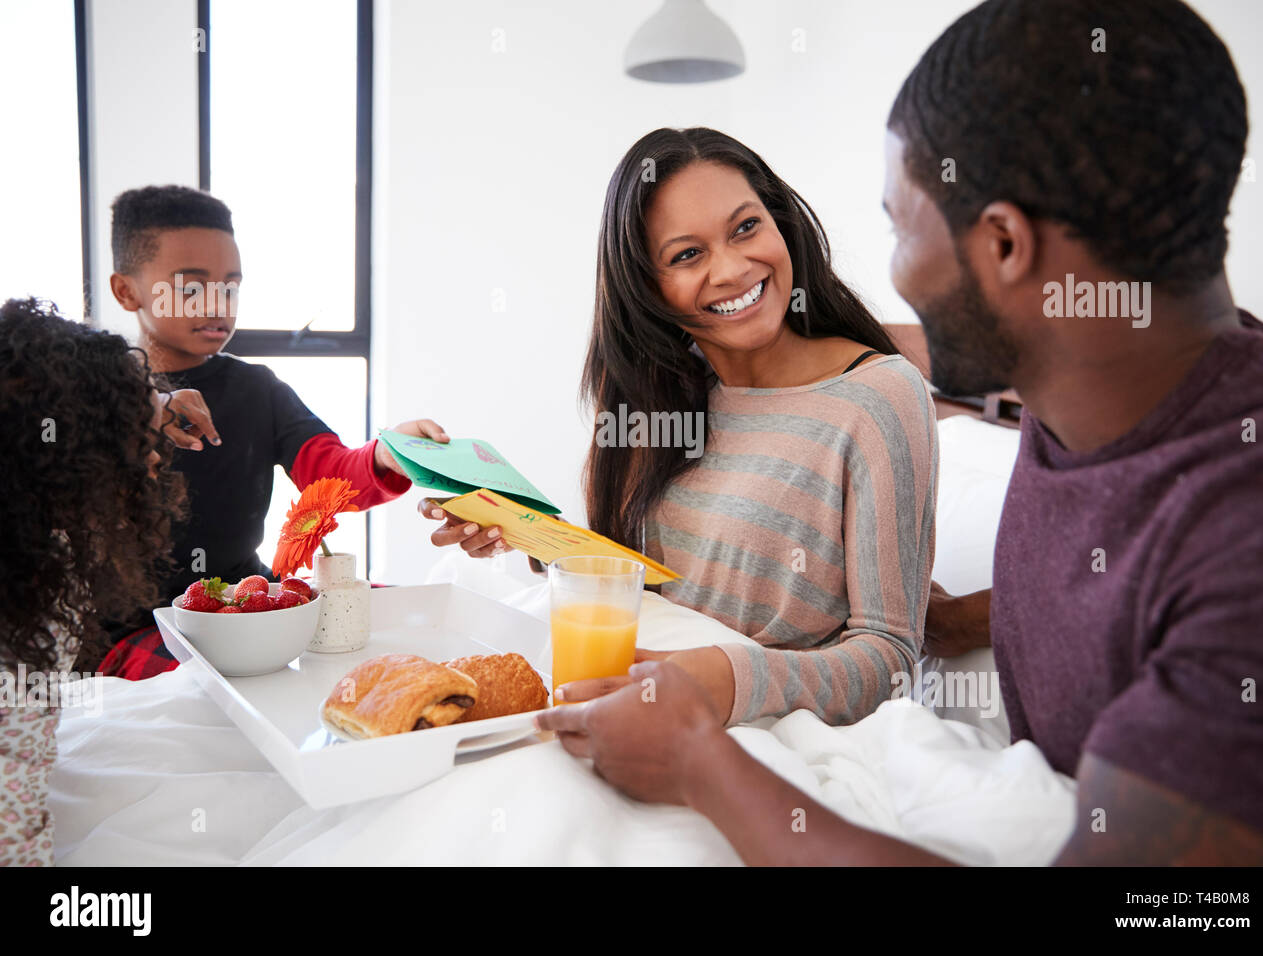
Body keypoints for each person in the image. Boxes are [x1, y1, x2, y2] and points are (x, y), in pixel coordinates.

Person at [537, 0, 1263, 864]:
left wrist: (698, 762)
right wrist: (969, 617)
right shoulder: (1095, 410)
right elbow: (1107, 582)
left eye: (900, 225)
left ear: (1005, 246)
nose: (889, 273)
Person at [424, 128, 938, 728]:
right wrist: (525, 533)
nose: (733, 269)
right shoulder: (661, 395)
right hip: (632, 704)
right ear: (650, 290)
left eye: (746, 227)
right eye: (687, 255)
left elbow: (890, 657)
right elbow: (643, 579)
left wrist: (726, 678)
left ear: (781, 224)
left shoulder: (877, 397)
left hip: (760, 733)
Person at [97, 185, 457, 679]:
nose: (218, 303)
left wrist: (386, 456)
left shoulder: (258, 388)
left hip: (253, 602)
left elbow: (329, 473)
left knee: (412, 619)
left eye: (232, 285)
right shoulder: (93, 396)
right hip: (141, 629)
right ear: (127, 291)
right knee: (211, 688)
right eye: (190, 286)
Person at [0, 298, 185, 865]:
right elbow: (16, 824)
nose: (156, 462)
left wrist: (155, 405)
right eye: (141, 442)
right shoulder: (30, 617)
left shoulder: (34, 547)